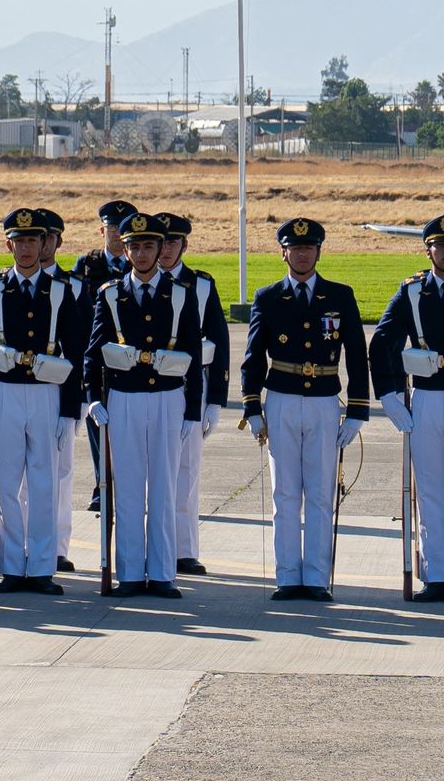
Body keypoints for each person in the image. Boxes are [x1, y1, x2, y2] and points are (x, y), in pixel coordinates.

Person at [0, 209, 86, 594]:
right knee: (8, 484)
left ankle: (42, 567)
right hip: (7, 393)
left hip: (47, 394)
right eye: (19, 241)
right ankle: (12, 567)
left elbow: (76, 353)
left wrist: (69, 410)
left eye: (32, 241)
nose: (26, 248)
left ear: (44, 243)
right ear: (8, 245)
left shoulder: (60, 291)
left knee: (44, 484)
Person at [240, 217, 369, 603]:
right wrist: (252, 406)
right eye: (295, 248)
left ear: (318, 252)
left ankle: (315, 577)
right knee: (284, 493)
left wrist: (358, 410)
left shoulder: (339, 295)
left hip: (324, 401)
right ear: (283, 253)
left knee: (320, 493)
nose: (301, 254)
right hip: (281, 398)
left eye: (308, 248)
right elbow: (253, 357)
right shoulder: (267, 297)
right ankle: (287, 577)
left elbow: (356, 355)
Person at [86, 212, 203, 599]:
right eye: (133, 247)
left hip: (168, 398)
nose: (140, 253)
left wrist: (193, 411)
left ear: (160, 249)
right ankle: (131, 574)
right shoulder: (110, 294)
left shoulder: (181, 293)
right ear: (125, 250)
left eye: (148, 246)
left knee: (165, 489)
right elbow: (93, 353)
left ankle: (164, 573)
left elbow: (193, 354)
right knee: (129, 490)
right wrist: (93, 398)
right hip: (124, 399)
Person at [369, 213, 444, 601]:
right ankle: (439, 574)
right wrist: (389, 394)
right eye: (440, 245)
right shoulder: (414, 292)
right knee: (430, 491)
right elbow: (383, 342)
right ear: (428, 250)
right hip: (428, 398)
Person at [156, 214, 229, 575]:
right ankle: (153, 547)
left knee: (186, 470)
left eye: (173, 242)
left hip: (190, 385)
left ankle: (184, 549)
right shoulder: (138, 283)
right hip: (146, 385)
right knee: (150, 474)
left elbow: (219, 342)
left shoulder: (201, 285)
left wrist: (215, 400)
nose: (166, 250)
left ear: (184, 245)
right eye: (162, 242)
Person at [74, 199, 137, 511]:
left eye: (120, 228)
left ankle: (128, 486)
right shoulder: (87, 264)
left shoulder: (138, 262)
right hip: (97, 359)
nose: (114, 233)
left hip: (129, 360)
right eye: (110, 227)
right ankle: (102, 488)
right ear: (102, 230)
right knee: (97, 428)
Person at [38, 207, 90, 572]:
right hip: (20, 389)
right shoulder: (4, 284)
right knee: (19, 479)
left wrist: (80, 398)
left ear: (58, 241)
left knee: (61, 472)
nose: (42, 244)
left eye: (49, 237)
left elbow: (83, 344)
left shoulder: (75, 286)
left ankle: (56, 546)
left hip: (62, 391)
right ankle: (25, 545)